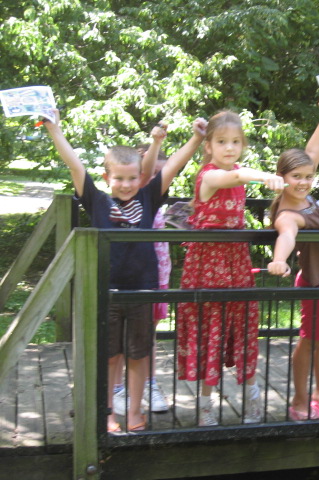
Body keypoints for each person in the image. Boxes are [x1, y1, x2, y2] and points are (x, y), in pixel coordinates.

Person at [44, 109, 207, 433]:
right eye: (119, 178)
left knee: (136, 356)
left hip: (143, 292)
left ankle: (134, 413)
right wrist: (55, 130)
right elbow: (75, 165)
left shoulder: (148, 198)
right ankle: (107, 414)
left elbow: (173, 165)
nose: (127, 184)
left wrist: (197, 138)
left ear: (140, 177)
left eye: (133, 177)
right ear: (107, 178)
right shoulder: (97, 202)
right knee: (109, 357)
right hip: (108, 293)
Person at [177, 109, 284, 426]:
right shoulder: (208, 176)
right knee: (211, 329)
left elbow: (238, 177)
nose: (229, 147)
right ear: (208, 145)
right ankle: (206, 404)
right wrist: (265, 176)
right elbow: (233, 178)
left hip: (236, 261)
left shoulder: (238, 172)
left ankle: (252, 397)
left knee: (243, 328)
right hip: (208, 264)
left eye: (236, 141)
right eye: (222, 141)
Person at [267, 94, 319, 421]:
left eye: (308, 177)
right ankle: (300, 400)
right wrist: (279, 259)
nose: (303, 182)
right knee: (310, 342)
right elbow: (286, 234)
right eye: (296, 177)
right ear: (282, 177)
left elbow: (312, 154)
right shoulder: (287, 211)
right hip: (315, 279)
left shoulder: (305, 194)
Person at [112, 126, 173, 416]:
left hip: (156, 272)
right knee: (119, 335)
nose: (156, 179)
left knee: (146, 331)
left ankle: (149, 383)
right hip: (129, 274)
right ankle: (116, 389)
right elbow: (147, 173)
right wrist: (155, 141)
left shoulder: (155, 203)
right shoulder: (132, 196)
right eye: (151, 173)